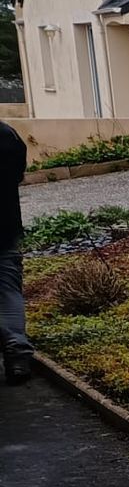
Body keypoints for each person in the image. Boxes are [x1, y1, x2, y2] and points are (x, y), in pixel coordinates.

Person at [1, 119, 30, 384]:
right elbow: (18, 175)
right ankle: (17, 351)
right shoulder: (7, 135)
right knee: (8, 290)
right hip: (5, 228)